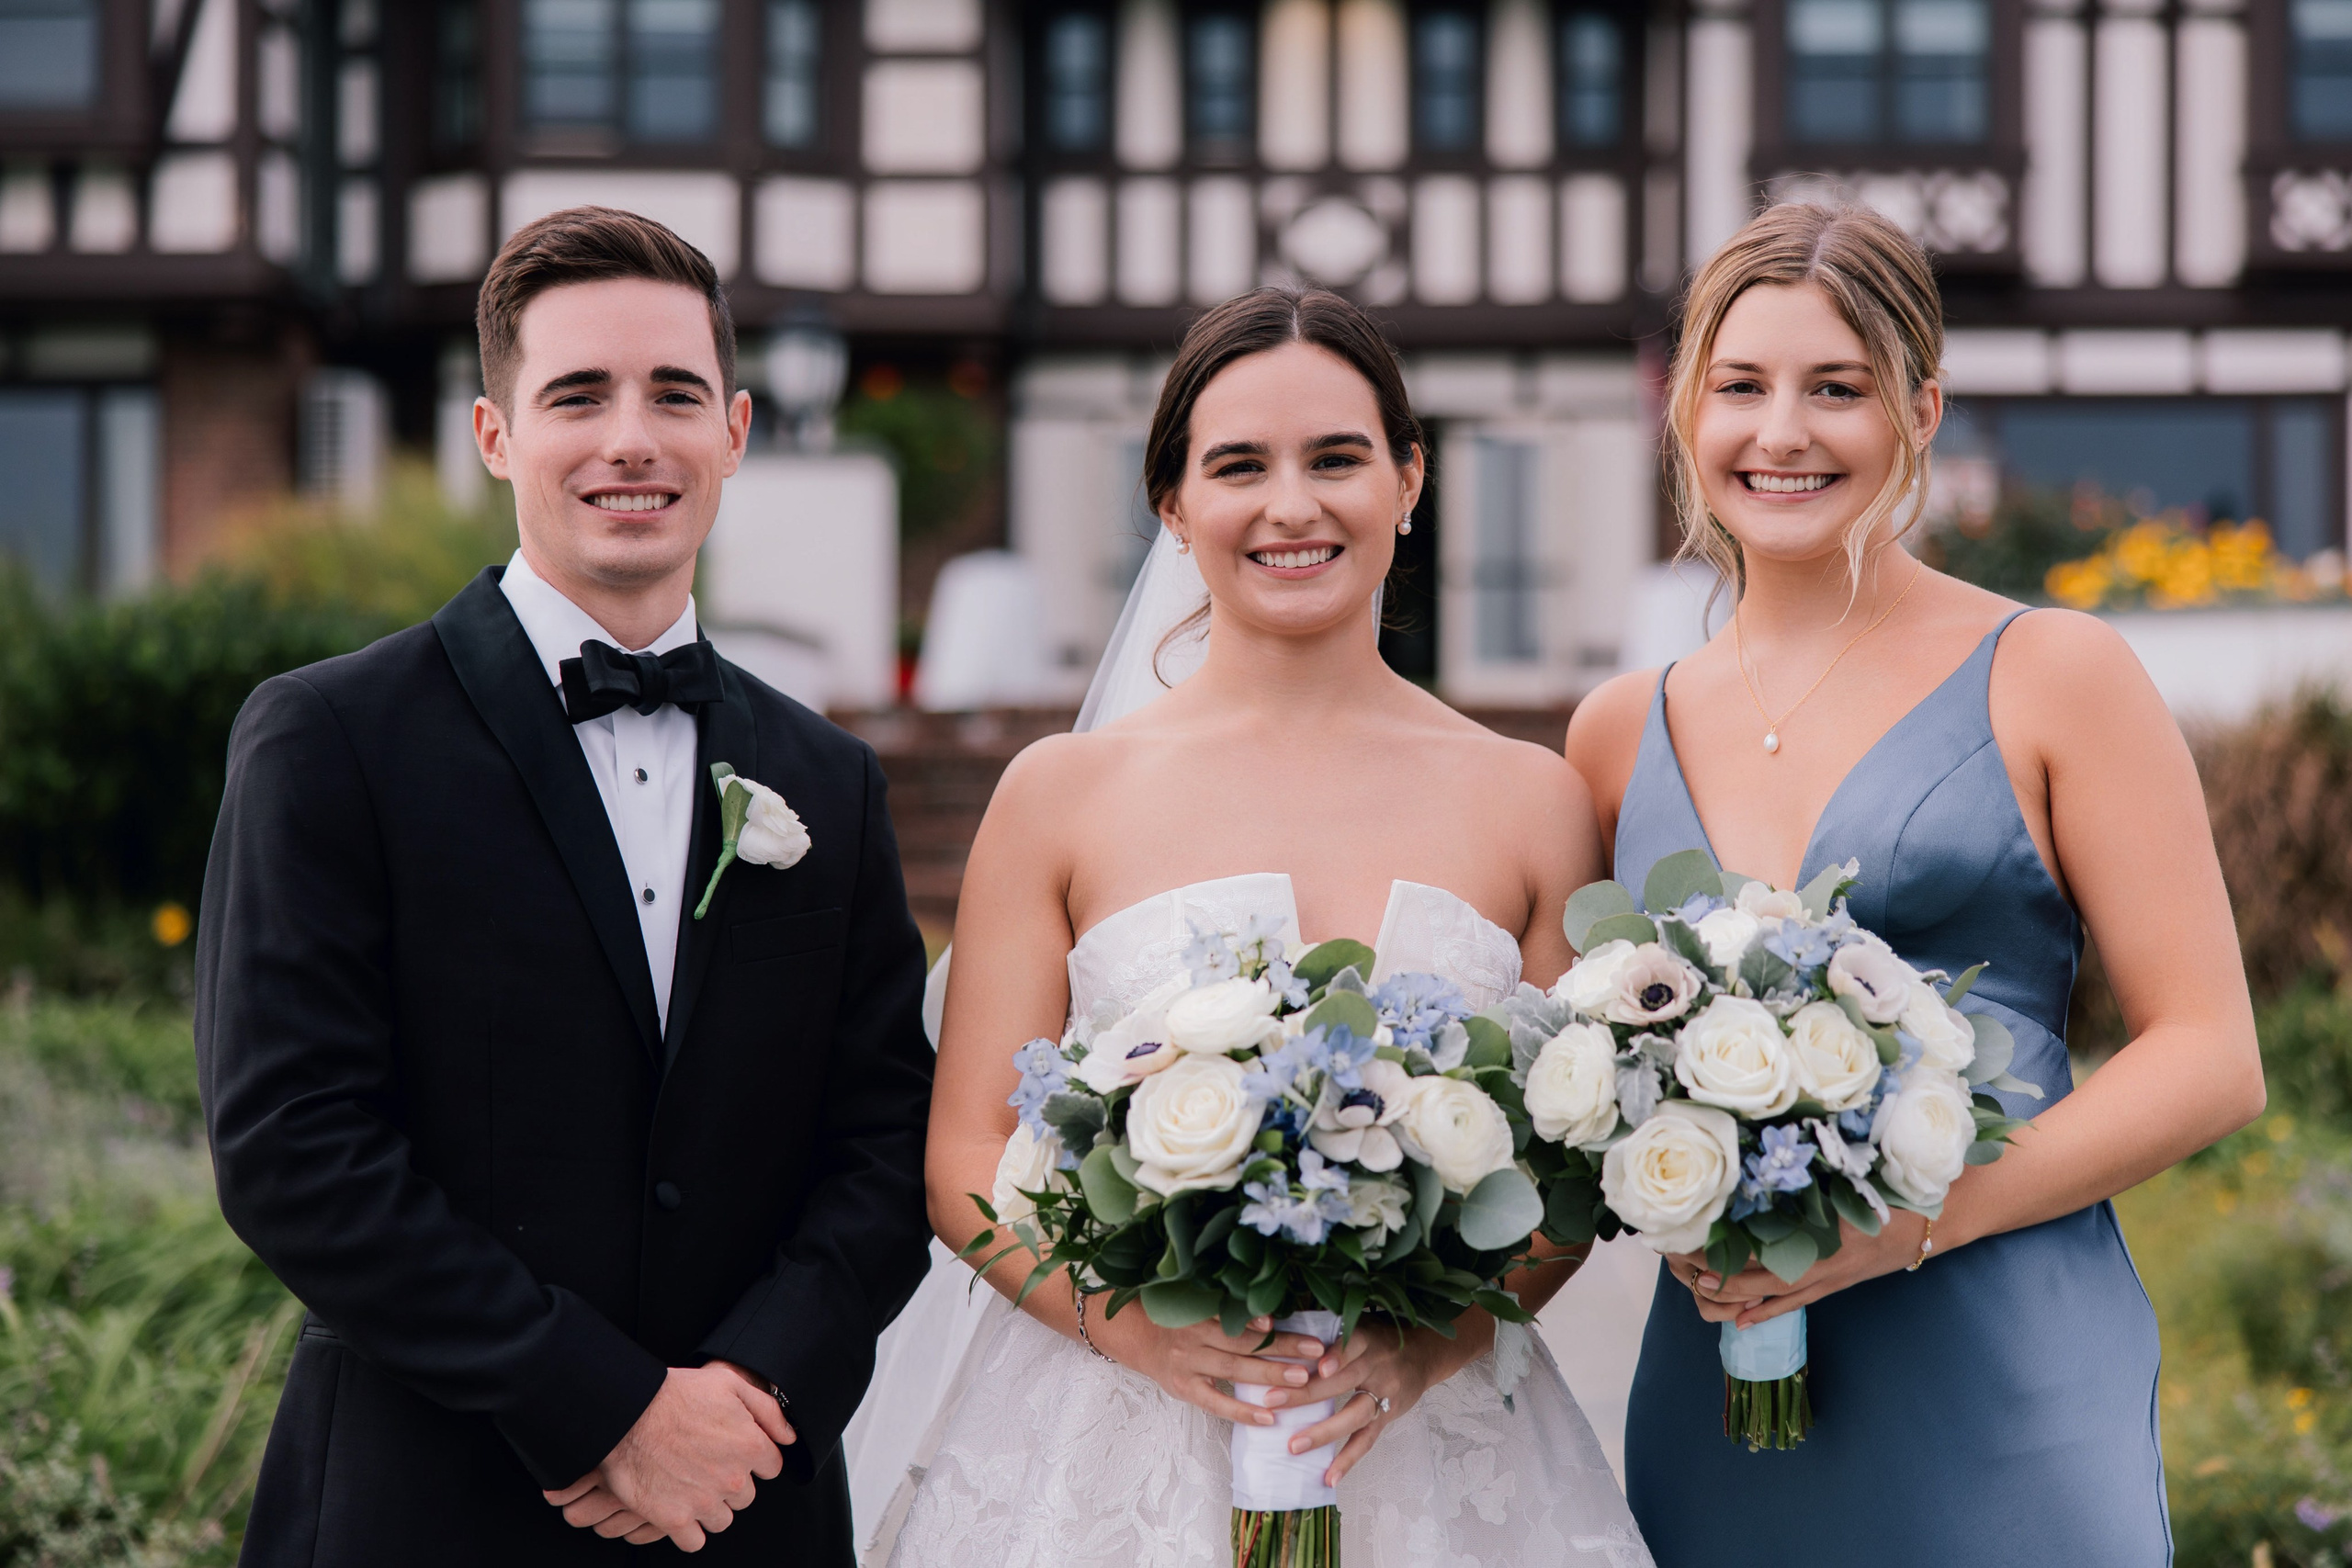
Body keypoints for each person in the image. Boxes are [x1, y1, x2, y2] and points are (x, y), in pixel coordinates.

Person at [195, 206, 935, 1565]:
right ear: (495, 436)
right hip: (425, 1501)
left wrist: (756, 1393)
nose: (631, 439)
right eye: (577, 395)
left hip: (749, 1507)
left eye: (675, 394)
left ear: (738, 431)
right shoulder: (331, 739)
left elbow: (889, 1146)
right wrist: (603, 1409)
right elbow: (292, 1147)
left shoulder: (831, 780)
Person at [876, 287, 1654, 1565]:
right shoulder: (1056, 796)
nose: (1292, 505)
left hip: (1432, 1451)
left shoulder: (1533, 800)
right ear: (1175, 507)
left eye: (1337, 459)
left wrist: (1426, 1351)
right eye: (1239, 466)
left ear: (1409, 480)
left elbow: (1569, 1171)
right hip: (1104, 1449)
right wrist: (1141, 1333)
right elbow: (965, 1151)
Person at [1566, 203, 2265, 1565]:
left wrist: (1909, 1226)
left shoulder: (2055, 672)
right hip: (1720, 1399)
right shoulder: (1612, 731)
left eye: (1839, 388)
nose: (1782, 433)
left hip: (2008, 1370)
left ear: (1922, 409)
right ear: (1684, 416)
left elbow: (2211, 1055)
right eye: (1741, 387)